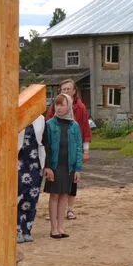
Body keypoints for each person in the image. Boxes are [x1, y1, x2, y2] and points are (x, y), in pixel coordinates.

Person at [44, 78, 91, 219]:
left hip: (73, 147)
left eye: (68, 89)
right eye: (63, 89)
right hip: (57, 151)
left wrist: (85, 150)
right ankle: (55, 211)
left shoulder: (80, 108)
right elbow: (47, 126)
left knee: (71, 181)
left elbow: (85, 129)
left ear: (74, 91)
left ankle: (70, 209)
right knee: (55, 183)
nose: (66, 91)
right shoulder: (54, 107)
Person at [43, 94, 83, 239]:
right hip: (54, 165)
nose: (59, 108)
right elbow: (45, 147)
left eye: (62, 105)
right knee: (54, 195)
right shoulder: (49, 124)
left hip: (69, 166)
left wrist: (78, 168)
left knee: (65, 196)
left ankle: (61, 226)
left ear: (69, 106)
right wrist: (47, 167)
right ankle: (53, 228)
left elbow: (79, 147)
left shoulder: (74, 125)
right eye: (57, 105)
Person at [17, 113, 46, 243]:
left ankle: (27, 229)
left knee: (32, 196)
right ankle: (17, 230)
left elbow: (43, 142)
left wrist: (45, 164)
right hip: (19, 160)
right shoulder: (16, 115)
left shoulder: (41, 118)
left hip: (35, 162)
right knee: (18, 195)